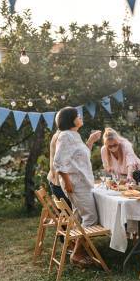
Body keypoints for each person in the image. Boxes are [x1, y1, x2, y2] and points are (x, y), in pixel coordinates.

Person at [53, 106, 101, 267]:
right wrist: (68, 184)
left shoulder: (74, 135)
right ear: (70, 119)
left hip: (83, 183)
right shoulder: (65, 136)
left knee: (80, 217)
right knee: (91, 217)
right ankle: (78, 253)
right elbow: (59, 162)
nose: (80, 116)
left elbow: (79, 158)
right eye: (77, 115)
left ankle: (79, 249)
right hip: (76, 184)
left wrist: (91, 141)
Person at [47, 113, 71, 208]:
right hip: (58, 181)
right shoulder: (62, 136)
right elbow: (60, 161)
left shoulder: (60, 134)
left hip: (56, 179)